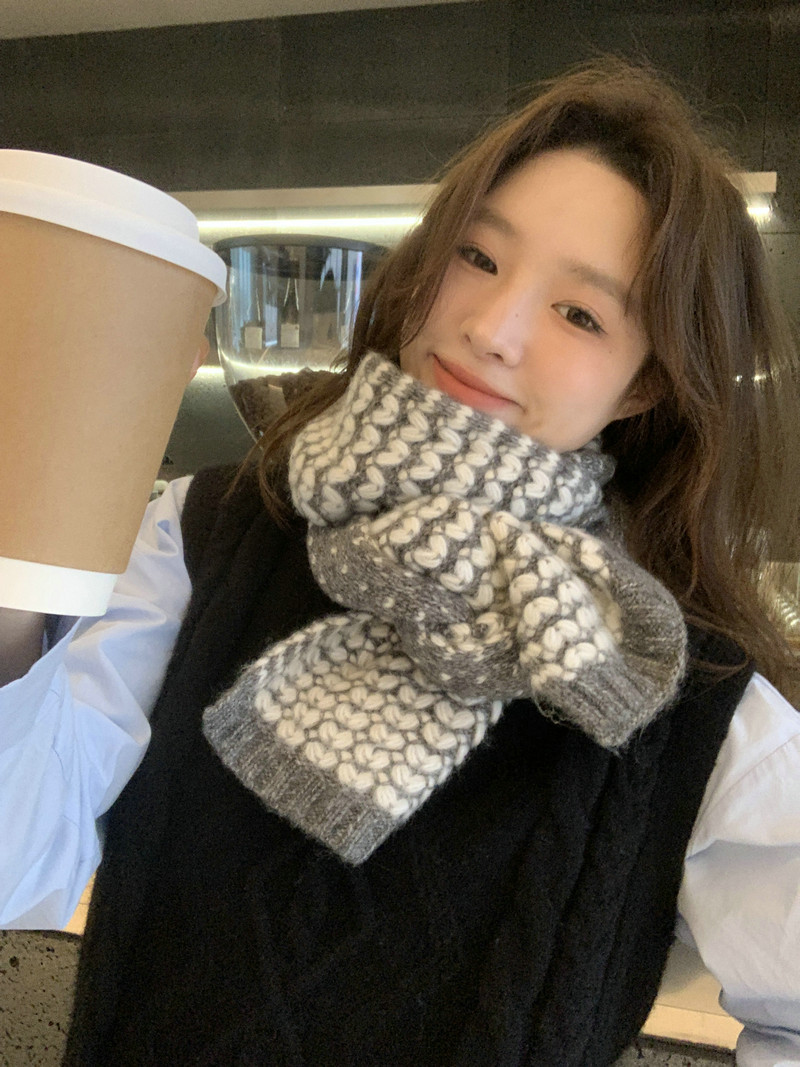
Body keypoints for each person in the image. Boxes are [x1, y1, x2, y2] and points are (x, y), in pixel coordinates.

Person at [1, 57, 799, 1066]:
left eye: (581, 313)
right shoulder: (207, 535)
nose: (490, 328)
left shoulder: (678, 686)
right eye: (477, 255)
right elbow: (18, 861)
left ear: (646, 386)